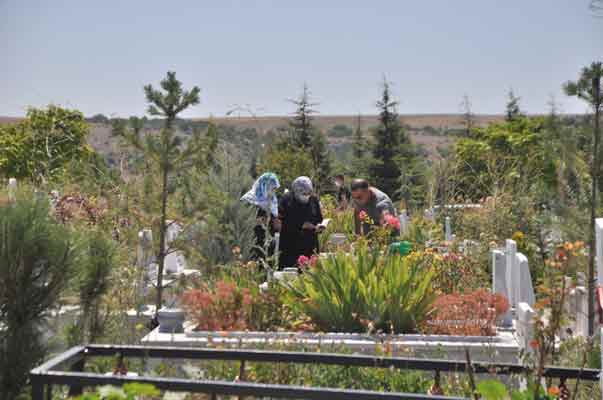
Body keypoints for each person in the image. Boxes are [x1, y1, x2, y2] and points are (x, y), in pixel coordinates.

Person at [278, 176, 325, 269]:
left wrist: (319, 226)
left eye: (308, 193)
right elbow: (281, 221)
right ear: (296, 191)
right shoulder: (286, 200)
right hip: (291, 245)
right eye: (303, 193)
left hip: (310, 244)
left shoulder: (313, 200)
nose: (306, 195)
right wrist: (300, 225)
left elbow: (318, 218)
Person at [241, 172, 281, 260]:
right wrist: (256, 221)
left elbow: (274, 220)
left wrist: (276, 223)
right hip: (252, 242)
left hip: (268, 243)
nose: (273, 191)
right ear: (264, 186)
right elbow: (241, 220)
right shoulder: (248, 200)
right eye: (272, 188)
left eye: (275, 189)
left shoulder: (272, 200)